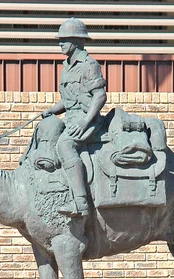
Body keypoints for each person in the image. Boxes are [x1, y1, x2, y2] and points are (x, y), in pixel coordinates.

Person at [41, 18, 107, 217]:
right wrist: (52, 111)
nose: (60, 44)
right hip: (71, 119)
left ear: (77, 41)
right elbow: (68, 100)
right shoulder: (67, 67)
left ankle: (81, 203)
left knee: (65, 145)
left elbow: (100, 96)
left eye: (64, 40)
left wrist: (86, 121)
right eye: (60, 40)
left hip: (88, 121)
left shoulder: (89, 65)